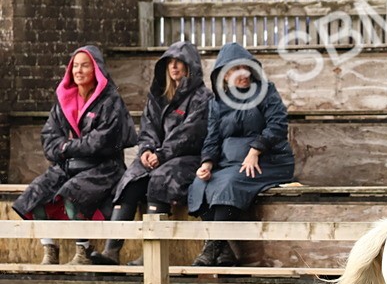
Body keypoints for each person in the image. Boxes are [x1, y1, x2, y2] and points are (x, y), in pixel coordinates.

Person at [12, 46, 136, 265]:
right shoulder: (63, 100)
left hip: (104, 168)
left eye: (84, 65)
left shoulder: (110, 101)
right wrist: (69, 148)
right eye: (75, 66)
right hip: (68, 166)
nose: (78, 71)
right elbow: (49, 138)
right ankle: (50, 249)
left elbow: (100, 142)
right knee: (35, 196)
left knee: (72, 195)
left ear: (96, 69)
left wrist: (67, 146)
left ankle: (83, 251)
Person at [90, 40, 211, 265]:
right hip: (158, 156)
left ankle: (151, 256)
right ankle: (111, 250)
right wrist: (146, 149)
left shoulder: (203, 97)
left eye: (179, 62)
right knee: (131, 178)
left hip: (188, 158)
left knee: (160, 179)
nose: (174, 67)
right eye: (170, 63)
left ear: (190, 65)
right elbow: (148, 127)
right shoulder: (157, 96)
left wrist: (162, 154)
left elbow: (189, 134)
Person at [187, 42, 295, 266]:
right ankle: (225, 251)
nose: (241, 74)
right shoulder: (217, 103)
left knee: (229, 184)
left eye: (243, 68)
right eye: (234, 70)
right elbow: (212, 138)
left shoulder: (267, 91)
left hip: (268, 161)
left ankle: (211, 248)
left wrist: (256, 150)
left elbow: (277, 125)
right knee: (200, 185)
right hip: (230, 164)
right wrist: (207, 163)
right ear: (224, 77)